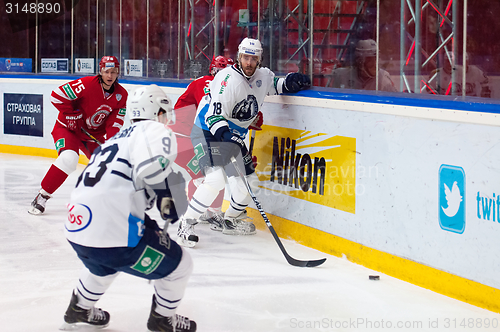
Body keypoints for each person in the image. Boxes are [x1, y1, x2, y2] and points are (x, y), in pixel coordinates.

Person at [60, 85, 196, 332]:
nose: (167, 118)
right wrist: (168, 197)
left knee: (105, 264)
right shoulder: (154, 129)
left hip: (77, 228)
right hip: (114, 233)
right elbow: (152, 170)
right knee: (180, 265)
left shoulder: (117, 138)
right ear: (156, 109)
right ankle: (162, 319)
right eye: (164, 111)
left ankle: (80, 305)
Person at [176, 37, 311, 247]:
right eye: (245, 57)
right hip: (207, 131)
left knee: (249, 182)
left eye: (253, 58)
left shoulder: (263, 75)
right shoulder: (225, 79)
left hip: (234, 136)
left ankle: (229, 219)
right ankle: (186, 223)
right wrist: (229, 137)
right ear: (239, 57)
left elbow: (275, 85)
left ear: (259, 59)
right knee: (216, 179)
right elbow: (213, 117)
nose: (249, 62)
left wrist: (292, 82)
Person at [173, 56, 264, 233]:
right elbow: (201, 114)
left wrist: (250, 118)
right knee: (210, 177)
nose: (222, 75)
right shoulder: (206, 85)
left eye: (225, 72)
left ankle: (225, 218)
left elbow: (237, 114)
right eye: (218, 72)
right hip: (194, 136)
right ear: (212, 71)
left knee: (242, 179)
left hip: (219, 138)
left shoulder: (237, 85)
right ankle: (192, 219)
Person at [28, 56, 128, 215]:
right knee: (69, 158)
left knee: (109, 163)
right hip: (69, 129)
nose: (110, 76)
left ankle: (106, 200)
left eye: (114, 72)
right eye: (107, 71)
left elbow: (114, 123)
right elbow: (56, 95)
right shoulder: (86, 84)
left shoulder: (121, 95)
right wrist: (70, 114)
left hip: (92, 135)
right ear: (100, 71)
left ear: (118, 73)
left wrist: (112, 143)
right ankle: (42, 196)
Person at [332, 39, 397, 92]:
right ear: (360, 61)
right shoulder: (341, 76)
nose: (375, 64)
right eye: (370, 60)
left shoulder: (384, 80)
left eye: (376, 59)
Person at [425, 51, 491, 97]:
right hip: (449, 104)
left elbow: (486, 85)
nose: (449, 64)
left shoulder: (475, 71)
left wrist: (484, 97)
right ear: (443, 62)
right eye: (447, 61)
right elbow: (429, 88)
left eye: (452, 61)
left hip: (470, 103)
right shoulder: (437, 73)